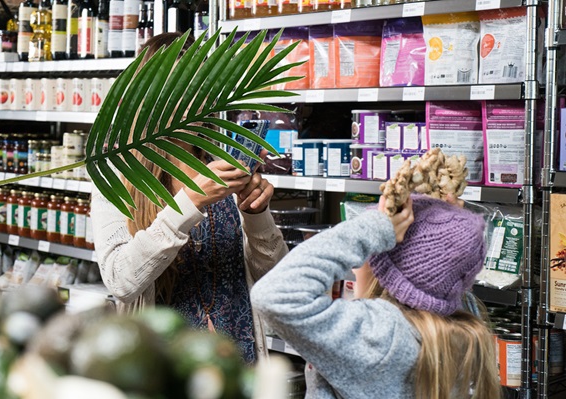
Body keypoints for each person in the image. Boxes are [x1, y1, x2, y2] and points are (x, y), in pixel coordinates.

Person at [90, 32, 288, 364]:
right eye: (182, 88)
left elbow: (280, 281)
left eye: (203, 85)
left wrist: (257, 212)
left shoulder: (222, 166)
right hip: (161, 371)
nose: (197, 99)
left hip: (238, 369)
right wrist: (190, 203)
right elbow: (121, 279)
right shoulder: (117, 173)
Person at [251, 194, 501, 399]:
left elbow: (273, 294)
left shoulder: (379, 336)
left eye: (370, 251)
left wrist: (373, 229)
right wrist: (446, 222)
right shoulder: (466, 328)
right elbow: (443, 269)